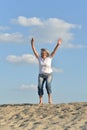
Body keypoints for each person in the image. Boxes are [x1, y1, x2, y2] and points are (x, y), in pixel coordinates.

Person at [31, 37, 62, 104]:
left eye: (43, 53)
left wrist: (58, 44)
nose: (42, 54)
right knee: (39, 86)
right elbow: (34, 51)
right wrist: (32, 43)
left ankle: (50, 99)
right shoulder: (39, 58)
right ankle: (41, 100)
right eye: (41, 53)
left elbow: (54, 51)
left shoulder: (49, 58)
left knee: (48, 85)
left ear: (46, 54)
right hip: (41, 75)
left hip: (49, 74)